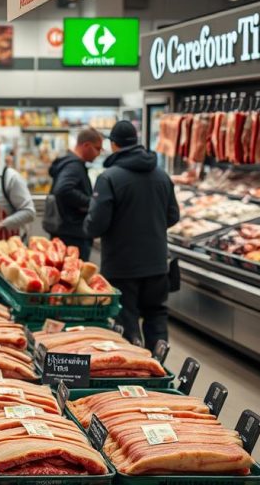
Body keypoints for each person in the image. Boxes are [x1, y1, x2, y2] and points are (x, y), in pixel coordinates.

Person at [85, 121, 179, 351]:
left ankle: (133, 375)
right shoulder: (161, 175)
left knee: (126, 321)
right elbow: (173, 216)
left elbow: (96, 225)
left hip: (121, 265)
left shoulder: (109, 178)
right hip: (157, 264)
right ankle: (159, 366)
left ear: (113, 144)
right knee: (156, 316)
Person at [46, 127, 104, 260]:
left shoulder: (70, 164)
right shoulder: (73, 166)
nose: (98, 153)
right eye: (97, 148)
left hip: (65, 232)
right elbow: (63, 189)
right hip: (73, 235)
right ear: (86, 145)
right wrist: (90, 203)